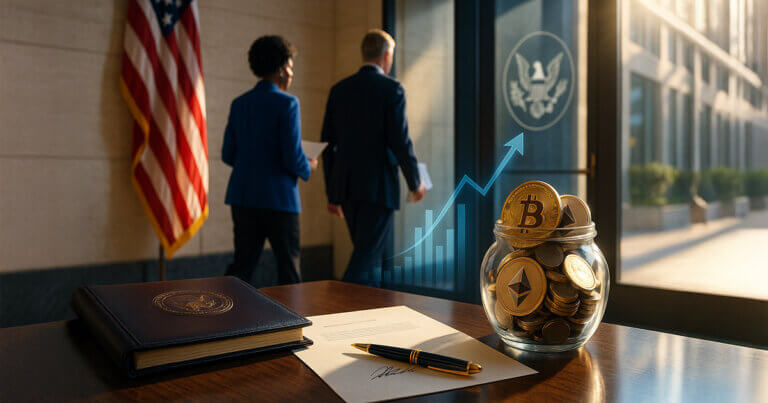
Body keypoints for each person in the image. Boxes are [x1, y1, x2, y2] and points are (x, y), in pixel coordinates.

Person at [321, 29, 426, 285]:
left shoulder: (339, 90)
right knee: (367, 257)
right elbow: (400, 141)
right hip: (378, 188)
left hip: (346, 188)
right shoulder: (392, 90)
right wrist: (415, 182)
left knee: (370, 256)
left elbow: (327, 145)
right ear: (387, 55)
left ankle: (367, 314)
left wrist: (332, 193)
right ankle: (338, 303)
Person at [222, 35, 318, 286]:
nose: (292, 72)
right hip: (280, 199)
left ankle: (223, 316)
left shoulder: (239, 103)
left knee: (241, 268)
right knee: (288, 270)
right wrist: (308, 165)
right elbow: (291, 156)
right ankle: (291, 323)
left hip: (243, 197)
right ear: (281, 68)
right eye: (290, 65)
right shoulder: (288, 103)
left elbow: (227, 154)